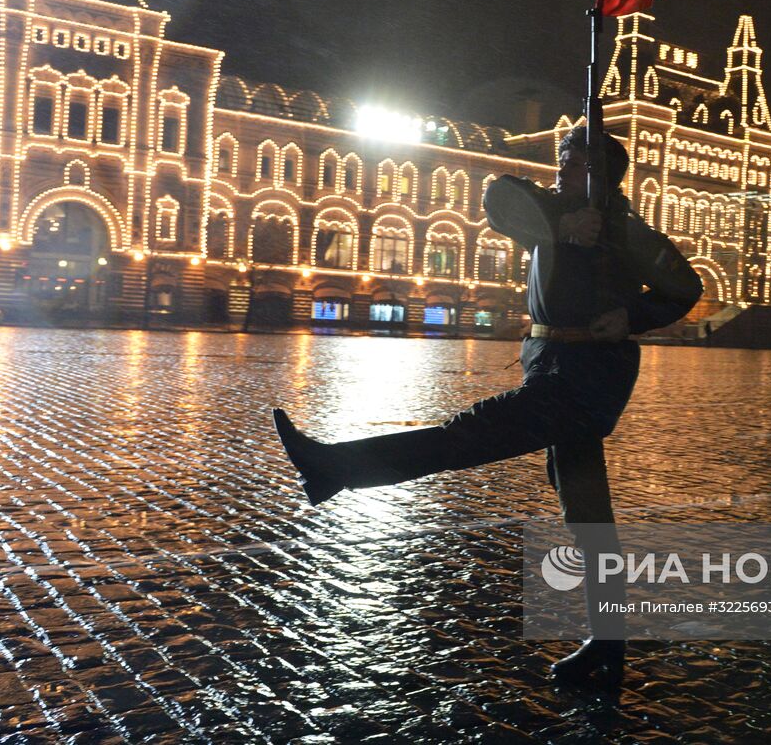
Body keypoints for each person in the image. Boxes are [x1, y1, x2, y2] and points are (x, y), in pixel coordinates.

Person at [273, 126, 702, 687]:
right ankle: (608, 641)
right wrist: (560, 225)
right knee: (588, 515)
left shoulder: (627, 231)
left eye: (574, 165)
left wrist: (631, 317)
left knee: (466, 435)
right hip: (548, 363)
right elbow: (498, 196)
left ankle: (336, 468)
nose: (561, 173)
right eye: (562, 162)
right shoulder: (551, 212)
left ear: (603, 176)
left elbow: (684, 286)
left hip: (586, 378)